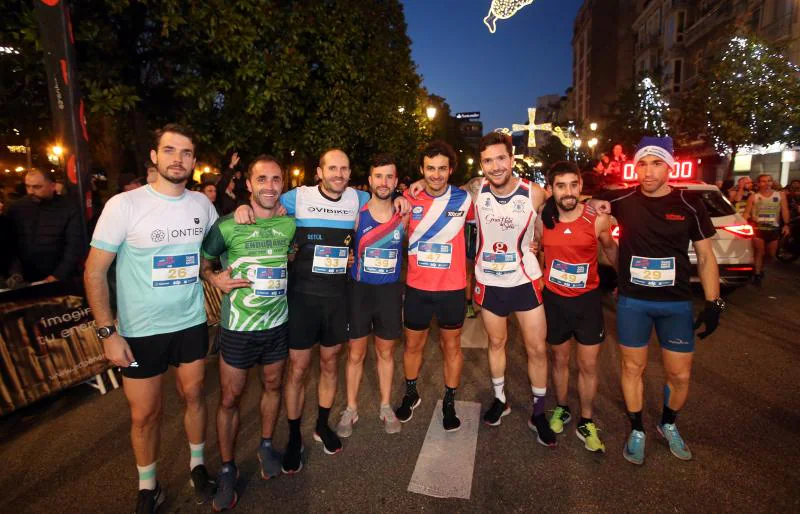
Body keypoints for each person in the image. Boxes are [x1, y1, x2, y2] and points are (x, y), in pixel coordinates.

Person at [84, 124, 218, 513]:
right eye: (170, 150)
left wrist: (213, 274)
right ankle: (149, 486)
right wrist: (108, 332)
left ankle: (196, 465)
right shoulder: (124, 205)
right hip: (141, 331)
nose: (179, 159)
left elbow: (206, 259)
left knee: (194, 396)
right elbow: (94, 272)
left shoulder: (201, 205)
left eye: (187, 152)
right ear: (154, 157)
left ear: (193, 161)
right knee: (145, 414)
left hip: (190, 322)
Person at [597, 136, 724, 465]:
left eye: (656, 163)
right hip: (633, 301)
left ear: (669, 165)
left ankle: (668, 423)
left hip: (675, 303)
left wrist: (713, 303)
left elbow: (707, 257)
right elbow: (585, 208)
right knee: (632, 368)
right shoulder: (622, 200)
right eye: (642, 163)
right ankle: (637, 428)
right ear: (634, 167)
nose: (648, 171)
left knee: (680, 375)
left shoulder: (689, 204)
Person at [201, 155, 296, 510]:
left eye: (275, 179)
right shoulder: (228, 225)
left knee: (273, 386)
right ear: (249, 184)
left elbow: (292, 251)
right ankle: (227, 469)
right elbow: (204, 260)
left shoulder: (289, 225)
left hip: (277, 325)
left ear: (282, 184)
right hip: (238, 329)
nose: (269, 186)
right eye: (262, 179)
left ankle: (266, 446)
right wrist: (214, 278)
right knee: (230, 399)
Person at [463, 132, 554, 446]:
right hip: (489, 283)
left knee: (537, 349)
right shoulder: (476, 191)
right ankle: (500, 400)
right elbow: (441, 195)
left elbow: (560, 213)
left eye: (501, 158)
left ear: (512, 160)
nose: (495, 166)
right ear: (482, 164)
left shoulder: (535, 194)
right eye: (488, 160)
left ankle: (539, 412)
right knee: (496, 343)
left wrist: (539, 239)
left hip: (524, 281)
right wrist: (416, 188)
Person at [539, 161, 618, 453]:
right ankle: (561, 407)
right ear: (551, 189)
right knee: (559, 360)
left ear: (581, 187)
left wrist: (625, 279)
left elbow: (610, 248)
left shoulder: (596, 218)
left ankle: (586, 419)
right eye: (561, 186)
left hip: (587, 302)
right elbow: (536, 249)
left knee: (587, 365)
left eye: (573, 185)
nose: (568, 192)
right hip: (555, 301)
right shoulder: (543, 218)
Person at [396, 140, 473, 432]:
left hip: (452, 289)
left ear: (451, 170)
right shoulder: (407, 197)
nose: (436, 175)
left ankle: (449, 400)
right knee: (412, 345)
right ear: (421, 170)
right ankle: (411, 392)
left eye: (442, 168)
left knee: (451, 346)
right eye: (430, 169)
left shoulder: (465, 199)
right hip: (417, 287)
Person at [336, 154, 406, 438]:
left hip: (389, 291)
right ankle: (351, 408)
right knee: (355, 352)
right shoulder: (357, 214)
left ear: (396, 181)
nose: (384, 182)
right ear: (370, 180)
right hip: (360, 291)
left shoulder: (404, 214)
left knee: (386, 352)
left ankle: (385, 405)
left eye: (389, 176)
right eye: (379, 176)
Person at [7, 169, 84, 284]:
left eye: (37, 187)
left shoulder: (69, 207)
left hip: (60, 278)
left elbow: (74, 245)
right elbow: (10, 244)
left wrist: (58, 275)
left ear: (52, 186)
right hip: (25, 278)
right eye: (28, 186)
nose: (30, 192)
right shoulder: (17, 208)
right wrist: (15, 273)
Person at [743, 174, 791, 285]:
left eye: (769, 181)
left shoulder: (780, 195)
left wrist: (786, 225)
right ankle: (757, 274)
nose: (767, 183)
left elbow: (785, 211)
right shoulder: (753, 197)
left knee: (771, 255)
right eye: (763, 181)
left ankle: (761, 268)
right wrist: (742, 222)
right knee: (759, 252)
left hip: (773, 229)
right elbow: (746, 212)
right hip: (758, 229)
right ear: (759, 184)